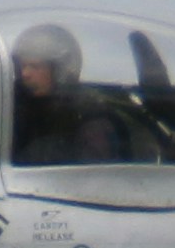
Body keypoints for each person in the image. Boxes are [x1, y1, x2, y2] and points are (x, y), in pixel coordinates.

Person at [7, 22, 129, 167]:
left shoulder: (92, 121)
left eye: (35, 66)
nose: (25, 74)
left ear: (61, 70)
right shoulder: (23, 109)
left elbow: (95, 180)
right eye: (22, 66)